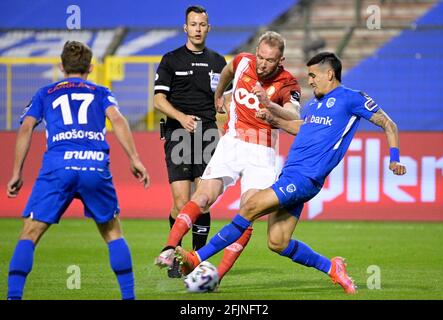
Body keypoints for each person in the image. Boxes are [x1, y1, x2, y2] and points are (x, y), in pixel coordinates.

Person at [175, 52, 407, 294]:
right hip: (289, 175)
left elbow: (388, 124)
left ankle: (196, 257)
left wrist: (394, 158)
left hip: (306, 178)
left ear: (330, 74)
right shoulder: (315, 103)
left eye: (313, 75)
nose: (310, 81)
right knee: (277, 241)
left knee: (250, 207)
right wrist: (273, 118)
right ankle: (333, 268)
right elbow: (301, 128)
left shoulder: (351, 98)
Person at [6, 41, 149, 300]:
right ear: (91, 67)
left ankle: (14, 297)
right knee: (113, 232)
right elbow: (117, 119)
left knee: (29, 233)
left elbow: (27, 127)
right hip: (94, 163)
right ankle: (129, 297)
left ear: (61, 66)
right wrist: (135, 159)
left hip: (58, 165)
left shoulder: (45, 92)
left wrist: (17, 171)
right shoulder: (101, 92)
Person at [155, 31, 301, 282]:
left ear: (281, 60)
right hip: (231, 142)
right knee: (201, 197)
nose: (262, 64)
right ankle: (169, 248)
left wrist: (269, 104)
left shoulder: (288, 83)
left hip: (261, 151)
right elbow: (228, 71)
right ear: (256, 50)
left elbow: (293, 115)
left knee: (248, 212)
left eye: (269, 60)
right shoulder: (243, 61)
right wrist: (218, 94)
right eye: (260, 57)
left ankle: (216, 277)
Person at [153, 5, 228, 278]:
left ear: (209, 27)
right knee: (181, 201)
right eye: (193, 24)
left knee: (203, 200)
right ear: (185, 27)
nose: (197, 29)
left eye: (202, 24)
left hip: (208, 133)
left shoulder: (219, 63)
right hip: (178, 132)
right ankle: (177, 253)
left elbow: (227, 100)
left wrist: (225, 108)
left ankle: (196, 259)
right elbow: (158, 99)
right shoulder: (171, 60)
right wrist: (181, 117)